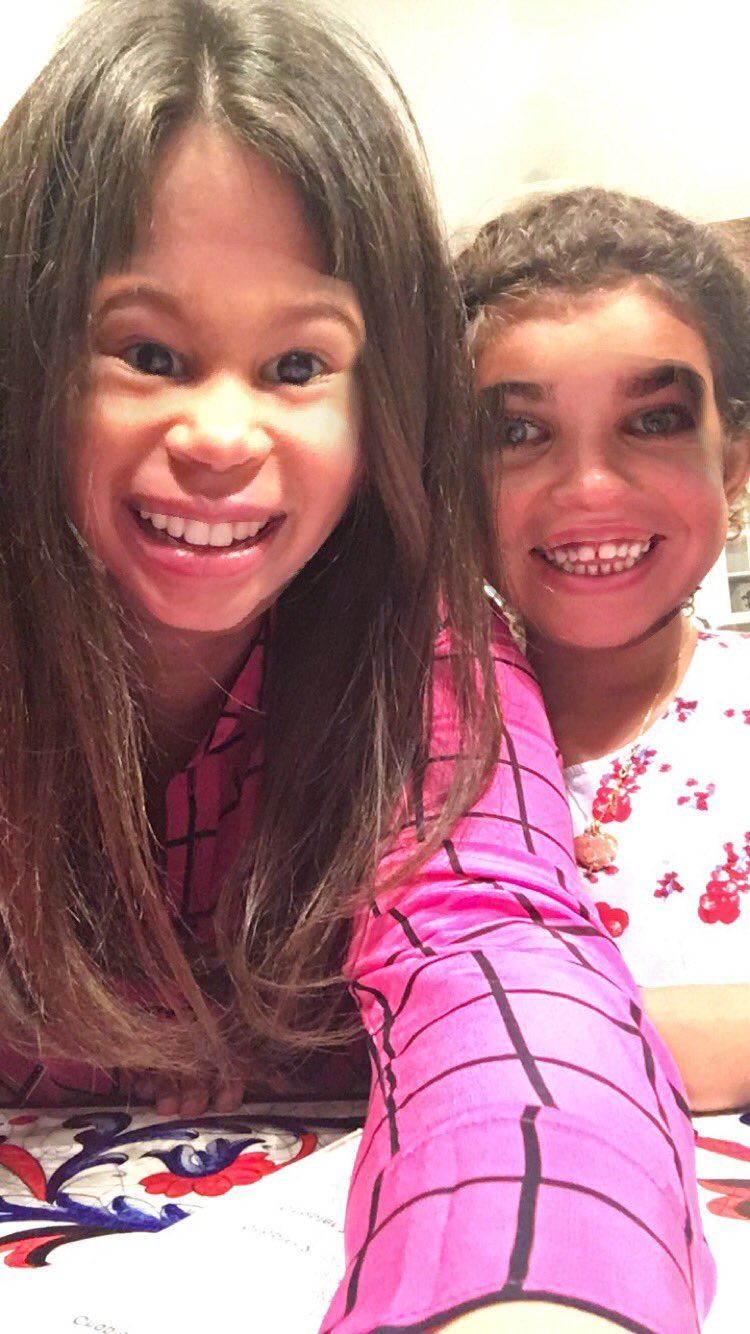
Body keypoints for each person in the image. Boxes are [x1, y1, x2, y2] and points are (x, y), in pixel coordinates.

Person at [0, 6, 714, 1329]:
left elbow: (497, 952)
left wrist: (532, 1294)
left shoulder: (422, 650)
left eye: (297, 364)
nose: (222, 433)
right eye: (148, 354)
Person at [458, 186, 750, 1116]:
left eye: (653, 420)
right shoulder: (404, 743)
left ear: (733, 461)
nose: (589, 488)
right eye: (518, 432)